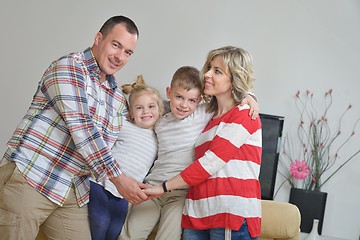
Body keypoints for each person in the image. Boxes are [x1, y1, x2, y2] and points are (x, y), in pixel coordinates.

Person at [0, 15, 147, 240]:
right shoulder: (69, 67)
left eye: (128, 52)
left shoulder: (116, 99)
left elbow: (109, 145)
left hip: (71, 188)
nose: (120, 57)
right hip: (31, 175)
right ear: (99, 39)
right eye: (116, 45)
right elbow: (82, 128)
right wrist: (118, 178)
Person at [119, 65, 259, 240]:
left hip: (181, 193)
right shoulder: (160, 121)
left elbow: (230, 98)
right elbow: (141, 108)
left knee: (168, 237)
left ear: (199, 100)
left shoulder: (203, 113)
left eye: (191, 100)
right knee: (129, 234)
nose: (184, 105)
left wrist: (249, 97)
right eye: (178, 97)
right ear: (168, 92)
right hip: (152, 186)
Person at [88, 76, 164, 240]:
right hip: (102, 182)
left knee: (115, 229)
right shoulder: (124, 125)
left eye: (151, 106)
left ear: (160, 109)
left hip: (125, 194)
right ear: (130, 112)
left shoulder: (161, 137)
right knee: (100, 222)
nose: (145, 112)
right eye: (139, 108)